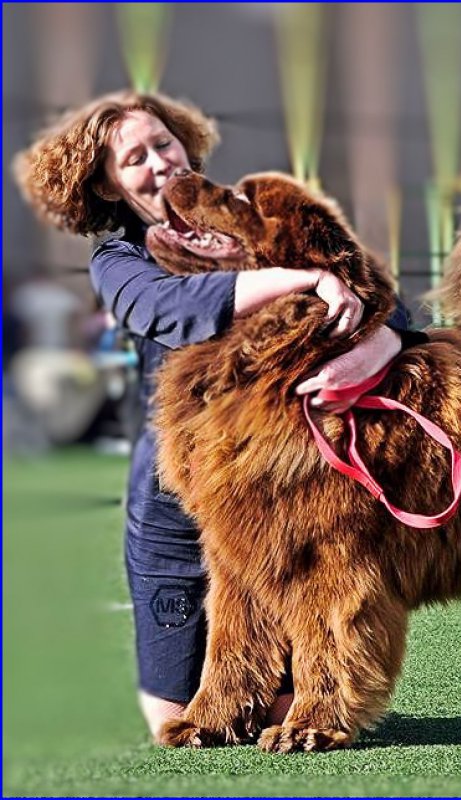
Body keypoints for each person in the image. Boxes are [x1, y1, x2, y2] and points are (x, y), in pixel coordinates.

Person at [14, 90, 427, 740]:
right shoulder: (118, 262)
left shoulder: (242, 215)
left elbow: (386, 302)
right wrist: (302, 281)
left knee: (283, 710)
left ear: (184, 139)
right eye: (134, 159)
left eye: (163, 143)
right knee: (176, 721)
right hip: (176, 509)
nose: (159, 163)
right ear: (106, 185)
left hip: (280, 492)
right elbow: (175, 307)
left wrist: (375, 344)